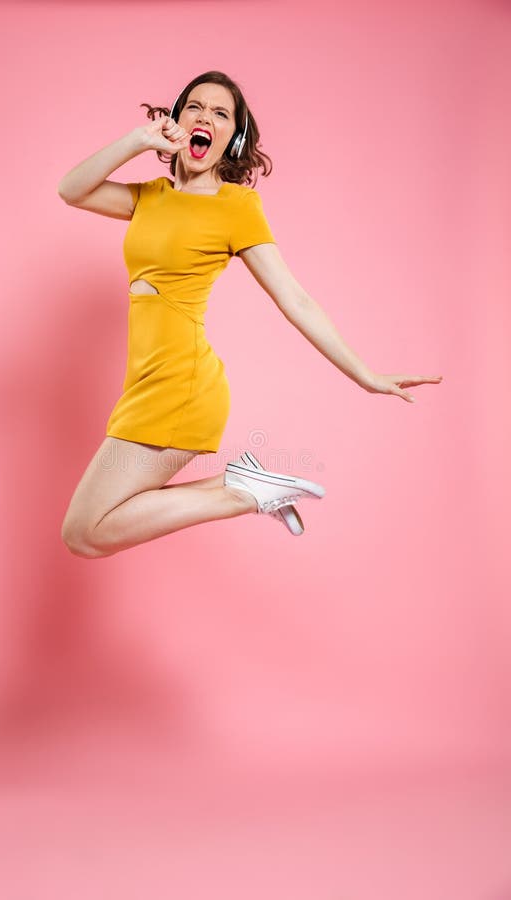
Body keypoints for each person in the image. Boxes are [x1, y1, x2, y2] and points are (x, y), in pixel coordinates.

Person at [57, 70, 443, 558]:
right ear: (177, 120)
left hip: (181, 384)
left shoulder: (236, 206)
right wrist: (138, 139)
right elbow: (71, 189)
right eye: (195, 107)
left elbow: (294, 299)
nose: (205, 117)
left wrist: (365, 375)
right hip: (144, 382)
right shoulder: (149, 196)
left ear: (232, 137)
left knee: (84, 533)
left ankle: (243, 493)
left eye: (221, 113)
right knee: (87, 530)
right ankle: (245, 484)